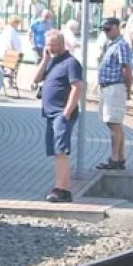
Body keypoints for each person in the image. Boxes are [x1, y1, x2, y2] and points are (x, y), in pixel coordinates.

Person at [33, 29, 84, 203]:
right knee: (55, 151)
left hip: (61, 113)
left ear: (62, 44)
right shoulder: (52, 61)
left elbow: (77, 87)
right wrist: (45, 59)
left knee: (60, 150)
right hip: (50, 114)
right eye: (48, 45)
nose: (51, 48)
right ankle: (61, 187)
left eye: (53, 45)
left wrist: (67, 112)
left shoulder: (71, 63)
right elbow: (36, 79)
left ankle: (61, 188)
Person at [95, 17, 133, 170]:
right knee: (114, 123)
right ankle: (119, 157)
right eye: (104, 30)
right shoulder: (111, 44)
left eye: (108, 29)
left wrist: (128, 88)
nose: (106, 33)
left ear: (117, 27)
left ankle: (115, 158)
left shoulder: (121, 45)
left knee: (114, 124)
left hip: (115, 87)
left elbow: (126, 68)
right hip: (108, 87)